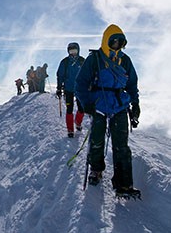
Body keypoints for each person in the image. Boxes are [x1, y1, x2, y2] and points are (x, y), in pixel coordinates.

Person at [75, 24, 141, 198]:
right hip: (99, 105)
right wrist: (85, 102)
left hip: (119, 105)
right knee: (97, 140)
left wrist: (135, 104)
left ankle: (124, 184)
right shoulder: (94, 59)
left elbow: (132, 84)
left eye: (120, 42)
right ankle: (96, 169)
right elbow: (80, 83)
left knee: (121, 145)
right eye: (114, 41)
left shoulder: (125, 60)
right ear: (107, 41)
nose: (117, 45)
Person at [56, 42, 86, 138]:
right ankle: (70, 129)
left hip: (80, 88)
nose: (73, 53)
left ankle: (78, 122)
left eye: (74, 50)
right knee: (69, 109)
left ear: (78, 50)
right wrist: (59, 88)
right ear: (68, 51)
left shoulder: (82, 61)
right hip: (68, 89)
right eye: (71, 51)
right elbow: (60, 75)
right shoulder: (65, 62)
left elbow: (88, 74)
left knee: (81, 108)